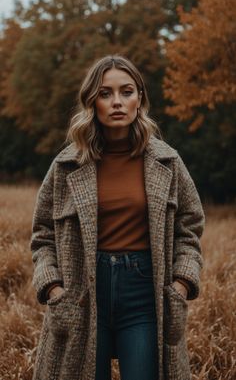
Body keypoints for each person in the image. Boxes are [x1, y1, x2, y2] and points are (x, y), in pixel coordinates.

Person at [30, 55, 205, 380]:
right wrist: (54, 289)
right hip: (80, 294)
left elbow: (190, 228)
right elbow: (42, 236)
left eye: (126, 92)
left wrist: (181, 284)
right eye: (105, 93)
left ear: (140, 99)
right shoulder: (66, 166)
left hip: (145, 294)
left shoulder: (167, 162)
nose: (117, 102)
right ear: (92, 101)